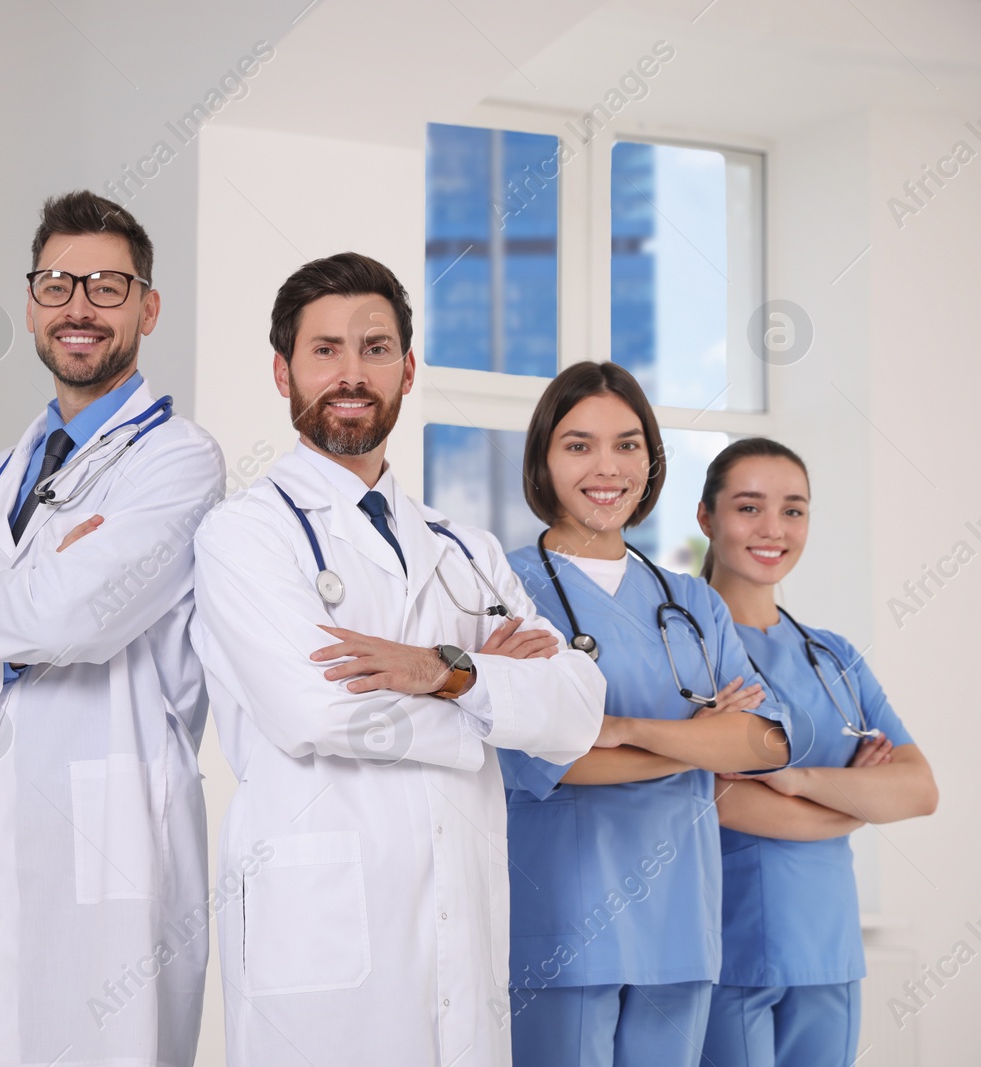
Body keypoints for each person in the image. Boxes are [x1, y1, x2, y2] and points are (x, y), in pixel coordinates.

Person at [190, 252, 606, 1067]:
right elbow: (316, 710)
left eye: (376, 348)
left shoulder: (465, 547)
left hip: (463, 934)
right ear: (283, 372)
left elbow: (575, 710)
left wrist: (440, 669)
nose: (352, 372)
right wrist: (485, 696)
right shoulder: (245, 533)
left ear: (409, 369)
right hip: (321, 937)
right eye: (326, 350)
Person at [0, 191, 226, 1067]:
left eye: (107, 285)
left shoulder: (179, 459)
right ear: (32, 305)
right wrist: (21, 612)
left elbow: (84, 616)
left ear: (148, 307)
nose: (78, 305)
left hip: (115, 824)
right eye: (57, 283)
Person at [498, 361, 794, 1067]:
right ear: (543, 458)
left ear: (651, 460)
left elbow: (766, 740)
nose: (608, 467)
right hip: (563, 929)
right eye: (579, 445)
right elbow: (553, 759)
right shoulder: (505, 586)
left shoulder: (691, 601)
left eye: (628, 444)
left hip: (682, 929)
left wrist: (628, 729)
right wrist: (701, 742)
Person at [696, 437, 937, 1067]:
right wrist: (857, 799)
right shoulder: (688, 650)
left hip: (829, 949)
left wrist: (796, 779)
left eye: (794, 510)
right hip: (729, 950)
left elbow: (918, 789)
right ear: (706, 518)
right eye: (749, 507)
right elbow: (718, 799)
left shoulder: (833, 656)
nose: (773, 528)